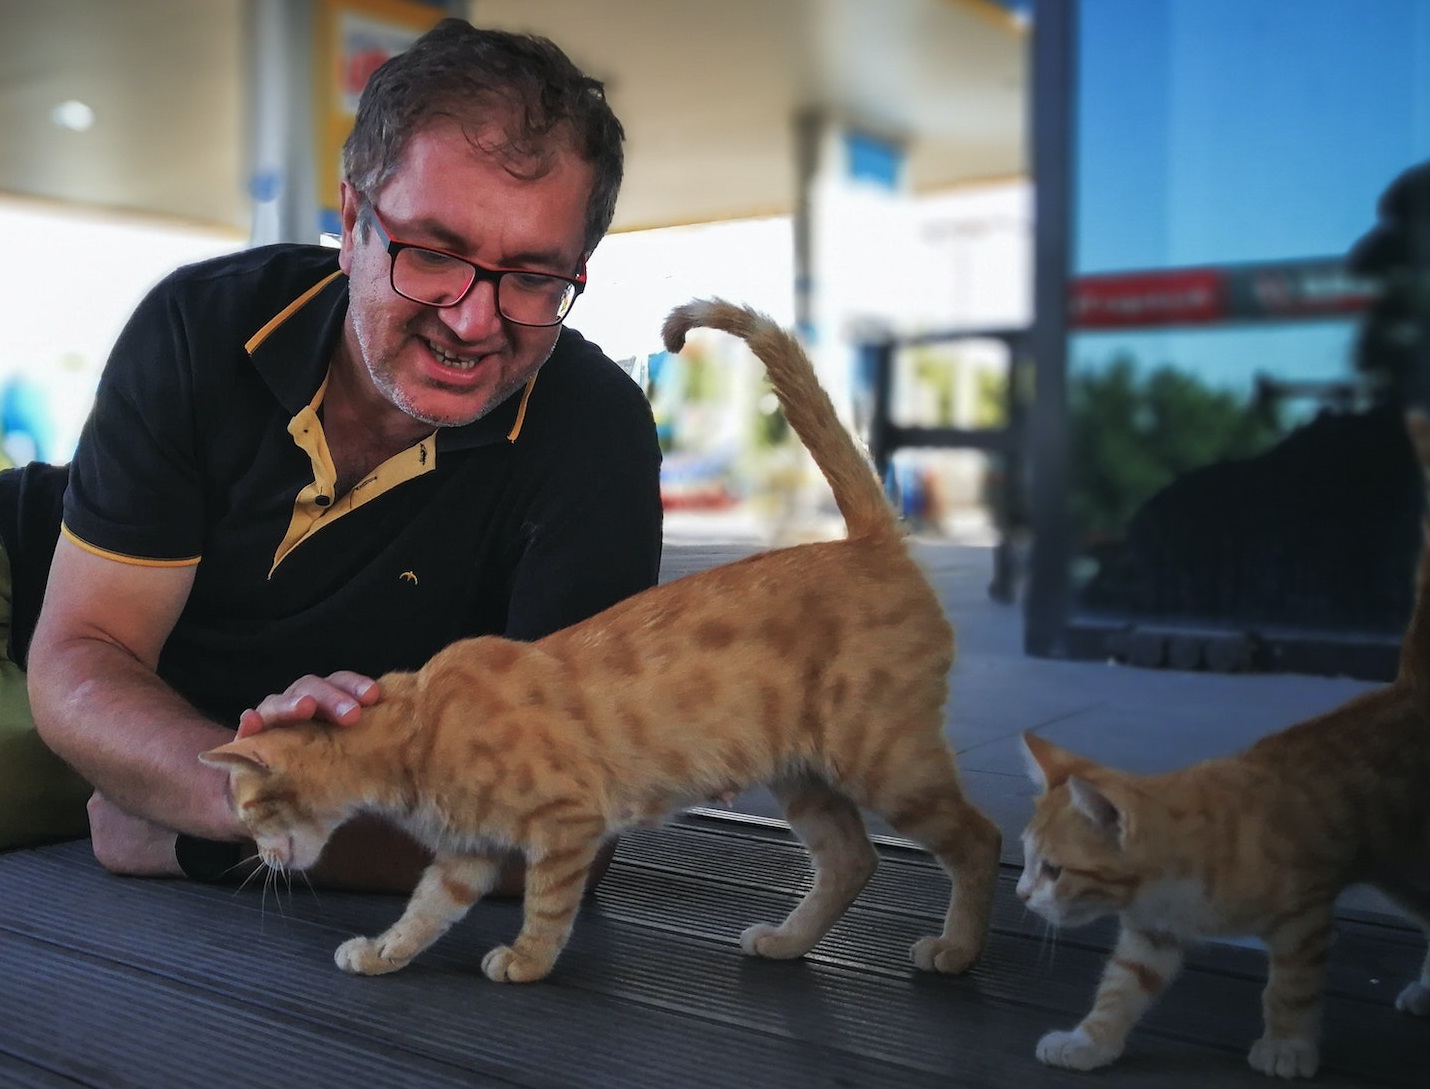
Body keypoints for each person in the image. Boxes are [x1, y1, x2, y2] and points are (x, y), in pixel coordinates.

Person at [0, 19, 663, 891]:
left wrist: (222, 834)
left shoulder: (593, 435)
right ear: (353, 224)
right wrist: (244, 797)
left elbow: (569, 821)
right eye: (434, 254)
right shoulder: (202, 327)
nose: (473, 321)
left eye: (534, 277)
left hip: (191, 737)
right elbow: (84, 648)